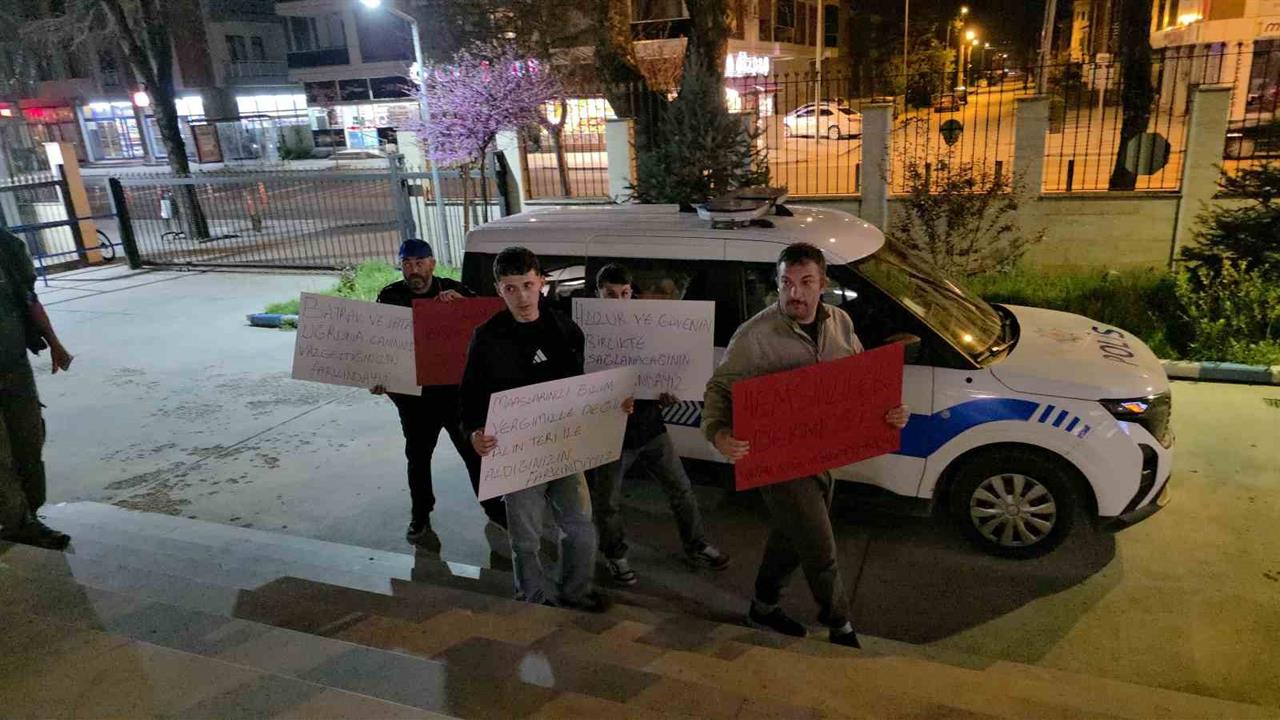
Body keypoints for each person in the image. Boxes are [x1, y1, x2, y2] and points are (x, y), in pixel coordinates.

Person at [702, 242, 910, 648]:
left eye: (805, 282)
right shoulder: (755, 336)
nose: (794, 293)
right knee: (818, 543)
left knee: (791, 535)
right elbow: (719, 388)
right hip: (776, 459)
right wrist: (718, 434)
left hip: (822, 453)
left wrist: (888, 411)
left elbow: (861, 379)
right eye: (786, 283)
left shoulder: (840, 322)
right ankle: (840, 625)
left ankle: (763, 606)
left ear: (823, 284)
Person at [460, 246, 629, 611]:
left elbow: (585, 386)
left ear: (541, 282)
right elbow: (470, 397)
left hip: (565, 447)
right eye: (511, 288)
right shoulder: (486, 338)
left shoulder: (565, 329)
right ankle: (532, 596)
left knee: (580, 526)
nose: (522, 296)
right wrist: (474, 432)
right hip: (517, 453)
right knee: (525, 538)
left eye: (527, 285)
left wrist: (613, 406)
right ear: (498, 289)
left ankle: (575, 591)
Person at [590, 263, 729, 586]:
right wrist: (609, 402)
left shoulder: (647, 327)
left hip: (651, 428)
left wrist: (666, 395)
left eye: (625, 293)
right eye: (610, 294)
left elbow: (659, 372)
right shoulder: (587, 334)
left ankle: (696, 545)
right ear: (597, 295)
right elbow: (580, 388)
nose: (619, 300)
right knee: (608, 502)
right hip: (610, 435)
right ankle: (615, 555)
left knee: (681, 490)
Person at [372, 239, 506, 546]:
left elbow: (488, 320)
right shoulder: (390, 296)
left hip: (455, 396)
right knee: (418, 458)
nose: (413, 270)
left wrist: (463, 305)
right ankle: (420, 515)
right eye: (407, 264)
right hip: (414, 399)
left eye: (419, 263)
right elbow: (378, 344)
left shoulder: (454, 289)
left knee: (474, 455)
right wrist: (378, 378)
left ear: (432, 264)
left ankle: (494, 510)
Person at [0, 227, 74, 550]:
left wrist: (54, 342)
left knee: (28, 441)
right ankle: (17, 523)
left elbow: (29, 298)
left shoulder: (6, 247)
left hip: (13, 364)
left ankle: (29, 512)